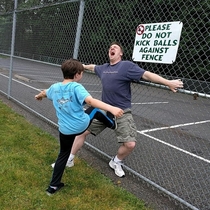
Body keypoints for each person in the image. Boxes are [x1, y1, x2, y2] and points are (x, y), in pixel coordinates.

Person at [58, 41, 184, 178]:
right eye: (110, 47)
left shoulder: (126, 66)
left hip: (121, 111)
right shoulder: (104, 68)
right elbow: (92, 67)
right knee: (81, 132)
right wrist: (79, 66)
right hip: (104, 110)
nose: (112, 48)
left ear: (120, 53)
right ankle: (69, 159)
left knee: (130, 144)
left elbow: (147, 75)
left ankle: (116, 161)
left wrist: (168, 82)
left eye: (115, 47)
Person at [35, 58, 124, 195]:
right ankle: (111, 124)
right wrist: (111, 108)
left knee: (63, 155)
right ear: (77, 74)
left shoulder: (55, 88)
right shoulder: (76, 87)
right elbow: (90, 101)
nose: (82, 75)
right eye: (82, 73)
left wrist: (38, 96)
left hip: (65, 129)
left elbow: (45, 92)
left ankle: (53, 186)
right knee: (94, 110)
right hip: (80, 126)